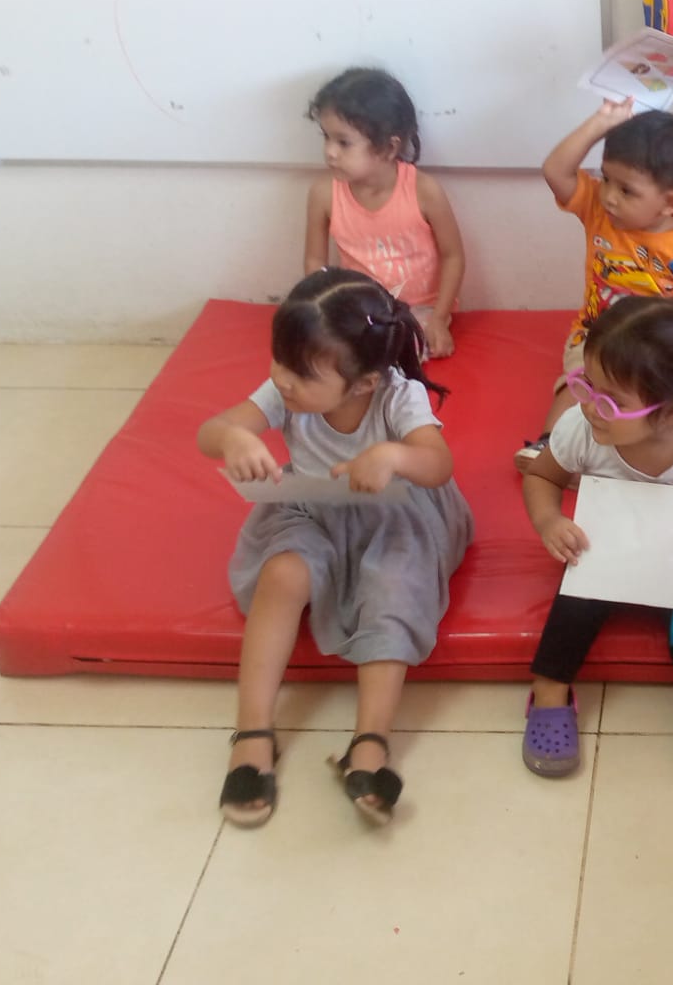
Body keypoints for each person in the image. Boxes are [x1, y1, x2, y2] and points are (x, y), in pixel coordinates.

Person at [199, 268, 474, 827]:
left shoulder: (397, 394)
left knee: (393, 588)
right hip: (309, 506)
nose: (283, 378)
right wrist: (234, 437)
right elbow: (211, 431)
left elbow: (438, 463)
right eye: (279, 359)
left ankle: (369, 741)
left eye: (300, 371)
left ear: (363, 383)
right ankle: (252, 732)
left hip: (393, 513)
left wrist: (393, 457)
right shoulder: (285, 390)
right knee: (283, 575)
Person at [519, 297, 673, 780]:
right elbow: (543, 476)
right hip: (605, 555)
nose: (589, 405)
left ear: (670, 414)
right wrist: (549, 521)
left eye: (610, 400)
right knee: (574, 604)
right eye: (586, 385)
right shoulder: (582, 428)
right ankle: (549, 691)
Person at [514, 99, 673, 471]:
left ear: (669, 203)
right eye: (606, 178)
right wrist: (601, 122)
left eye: (627, 190)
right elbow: (555, 170)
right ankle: (550, 446)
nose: (609, 195)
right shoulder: (597, 210)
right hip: (596, 335)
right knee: (583, 383)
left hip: (656, 347)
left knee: (667, 402)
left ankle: (650, 460)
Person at [303, 68, 466, 357]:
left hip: (420, 312)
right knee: (319, 351)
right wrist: (323, 312)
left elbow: (453, 255)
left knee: (400, 350)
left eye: (343, 142)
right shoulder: (323, 194)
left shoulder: (424, 191)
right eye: (326, 137)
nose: (330, 152)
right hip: (357, 311)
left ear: (389, 148)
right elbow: (316, 261)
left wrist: (439, 320)